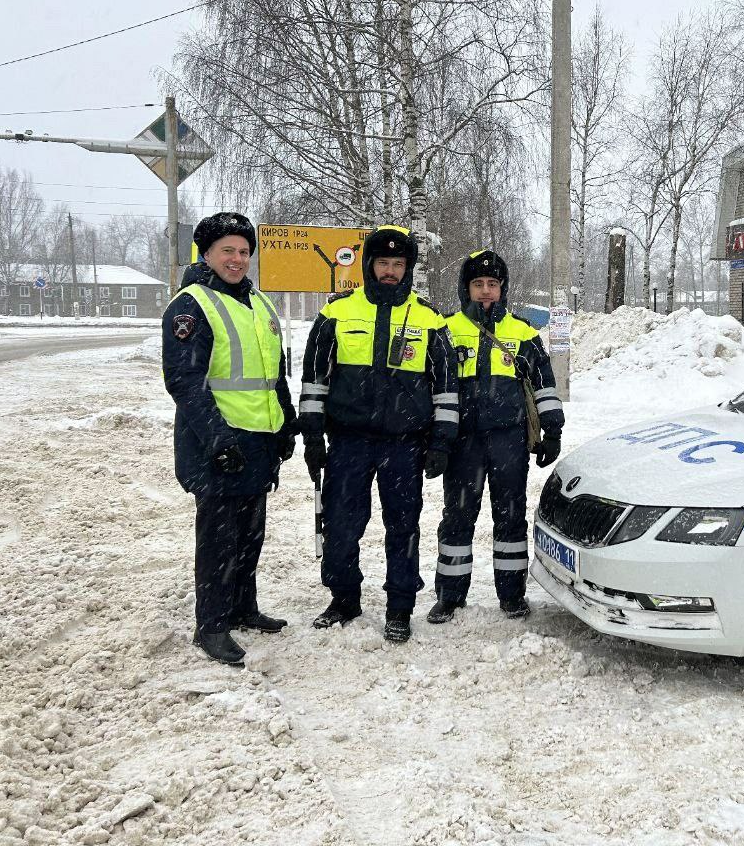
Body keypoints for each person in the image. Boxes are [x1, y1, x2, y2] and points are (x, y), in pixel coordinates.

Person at [299, 225, 458, 642]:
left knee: (403, 527)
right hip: (348, 442)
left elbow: (445, 387)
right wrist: (313, 437)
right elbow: (314, 380)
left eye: (398, 264)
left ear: (408, 269)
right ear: (369, 265)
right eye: (383, 263)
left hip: (405, 445)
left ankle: (400, 606)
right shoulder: (336, 313)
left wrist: (441, 442)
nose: (390, 270)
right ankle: (344, 597)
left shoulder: (428, 319)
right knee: (341, 523)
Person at [161, 212, 297, 667]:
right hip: (214, 442)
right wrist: (219, 438)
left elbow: (270, 372)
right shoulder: (191, 304)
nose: (238, 259)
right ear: (207, 254)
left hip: (258, 440)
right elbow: (185, 379)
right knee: (219, 538)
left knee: (250, 534)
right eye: (228, 251)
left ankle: (242, 606)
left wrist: (285, 421)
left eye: (243, 251)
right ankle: (212, 625)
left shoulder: (259, 303)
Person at [427, 249, 564, 624]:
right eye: (478, 284)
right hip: (463, 443)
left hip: (509, 440)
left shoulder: (523, 332)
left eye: (492, 284)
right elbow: (435, 388)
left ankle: (512, 594)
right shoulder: (447, 330)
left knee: (510, 518)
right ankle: (450, 596)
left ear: (502, 288)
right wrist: (437, 441)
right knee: (457, 518)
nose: (485, 291)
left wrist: (553, 430)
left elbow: (544, 386)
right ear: (465, 288)